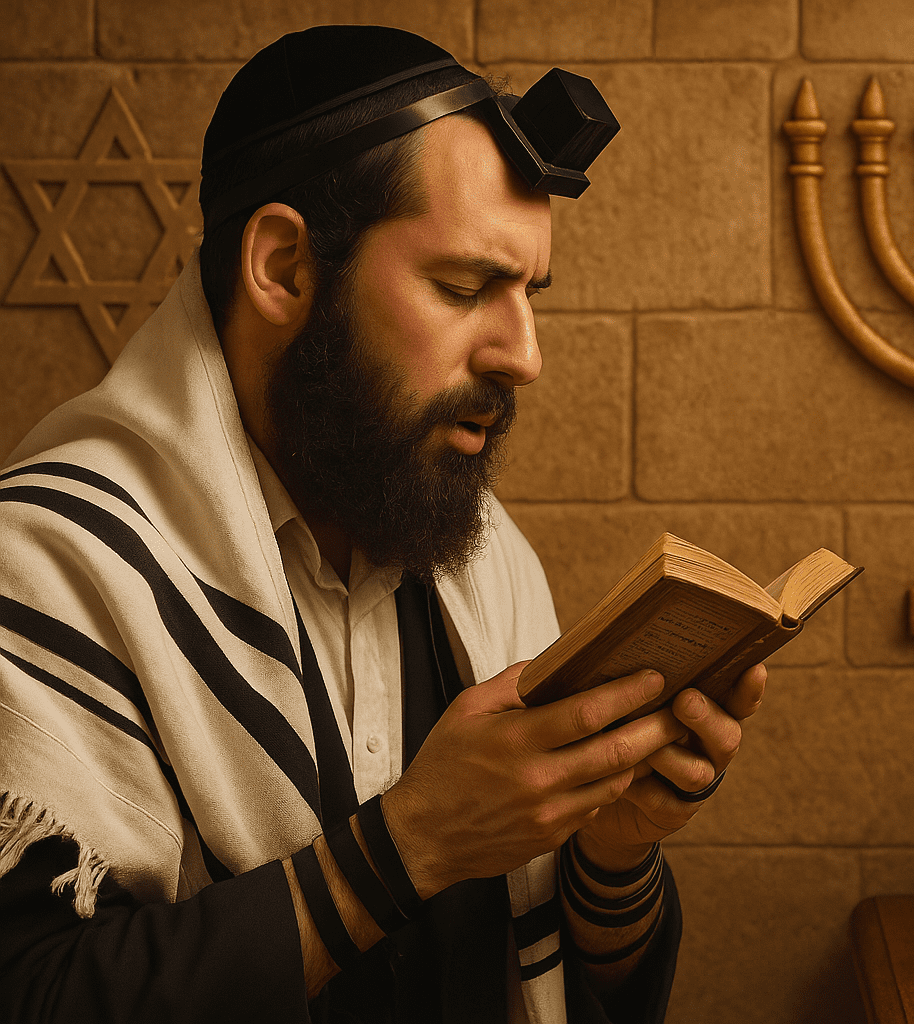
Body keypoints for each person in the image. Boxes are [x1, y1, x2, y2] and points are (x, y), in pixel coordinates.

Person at [0, 25, 764, 1023]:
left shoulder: (486, 561)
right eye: (462, 288)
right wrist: (412, 845)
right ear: (282, 266)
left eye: (529, 295)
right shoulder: (54, 566)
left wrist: (609, 854)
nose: (523, 354)